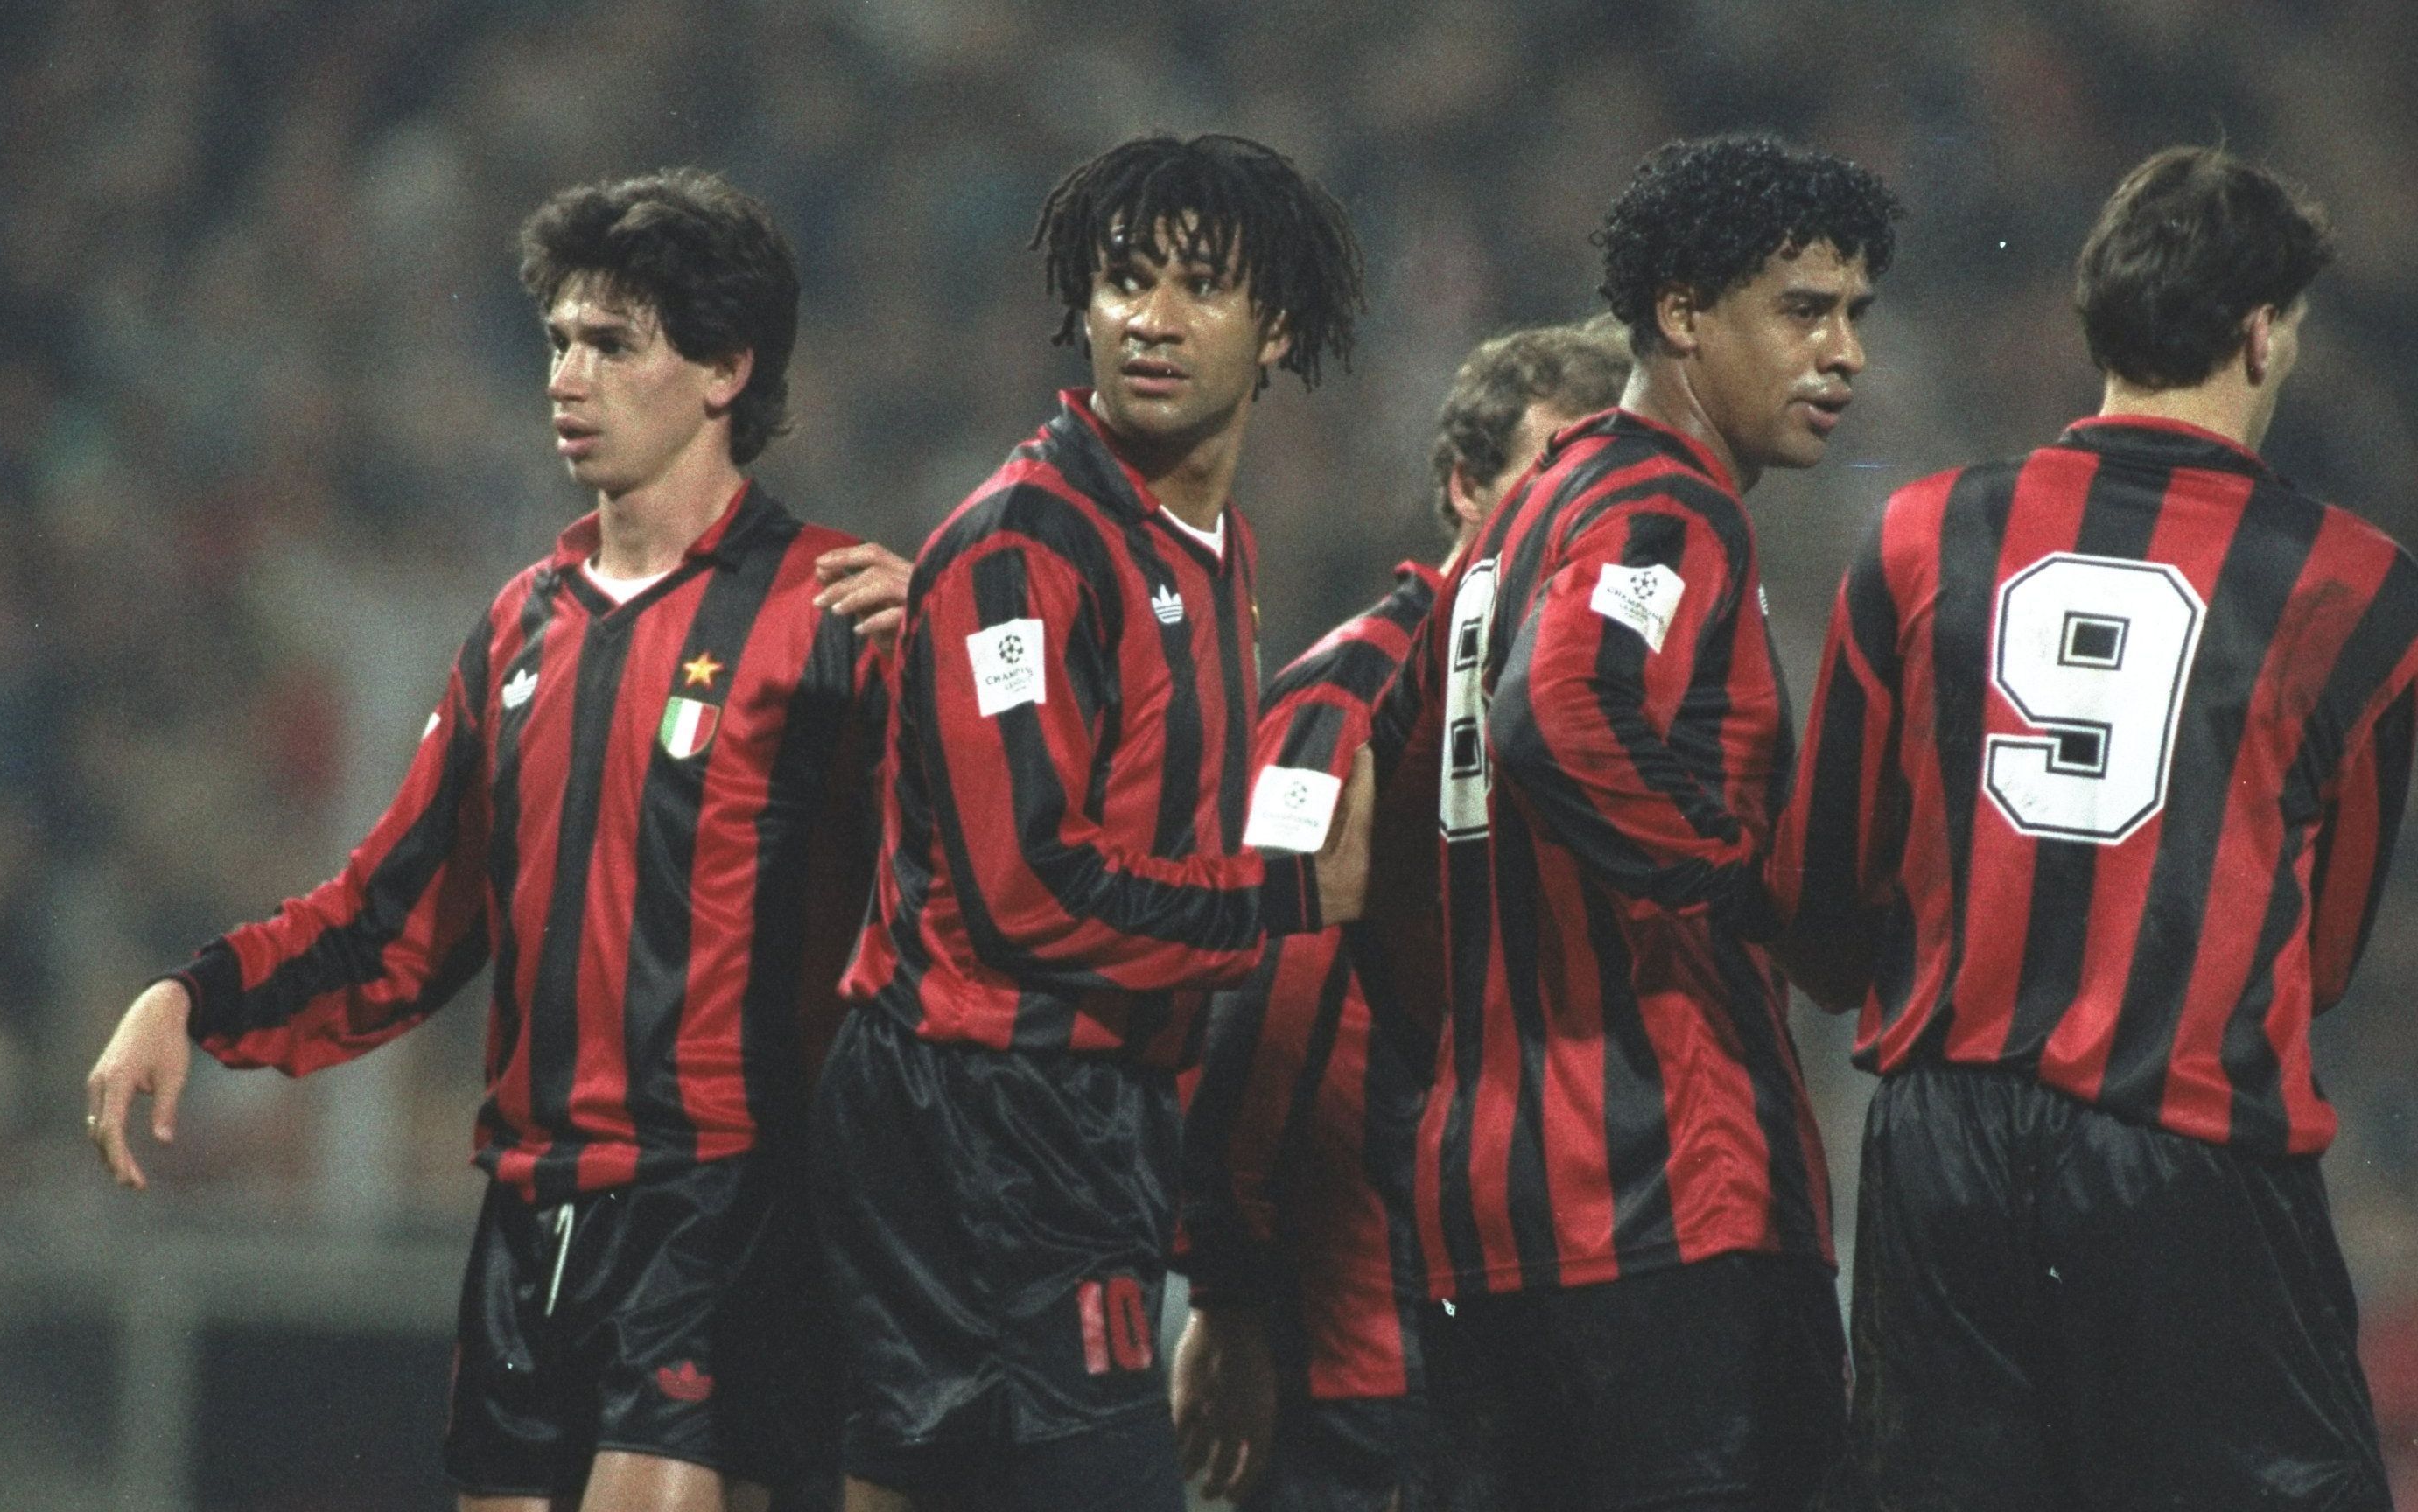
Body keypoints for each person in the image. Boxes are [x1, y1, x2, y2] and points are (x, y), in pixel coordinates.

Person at [81, 169, 887, 1512]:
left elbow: (984, 875)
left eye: (614, 344)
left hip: (723, 1200)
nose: (568, 374)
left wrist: (972, 653)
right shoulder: (522, 626)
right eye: (560, 340)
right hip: (526, 1204)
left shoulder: (835, 611)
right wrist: (194, 994)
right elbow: (395, 917)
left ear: (725, 370)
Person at [1774, 144, 2418, 1510]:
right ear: (2260, 335)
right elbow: (2322, 960)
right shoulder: (2361, 589)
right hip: (2181, 1146)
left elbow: (1822, 916)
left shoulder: (1919, 533)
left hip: (1937, 1147)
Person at [810, 132, 1373, 1512]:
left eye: (1198, 288)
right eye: (1125, 282)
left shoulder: (1205, 548)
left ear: (1278, 328)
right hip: (987, 1106)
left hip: (1071, 1108)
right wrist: (1281, 901)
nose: (1151, 321)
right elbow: (1031, 890)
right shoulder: (1029, 543)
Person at [1371, 133, 1900, 1511]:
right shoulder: (1667, 507)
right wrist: (1750, 891)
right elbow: (1565, 711)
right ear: (1679, 313)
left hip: (1485, 1203)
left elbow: (1405, 846)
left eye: (1855, 316)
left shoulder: (1505, 533)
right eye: (1802, 311)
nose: (1843, 354)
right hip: (1665, 1186)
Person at [1169, 319, 1634, 1511]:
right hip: (1366, 1358)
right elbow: (1264, 994)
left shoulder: (1609, 707)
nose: (1571, 515)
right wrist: (1225, 1291)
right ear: (1465, 486)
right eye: (1546, 474)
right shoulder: (1356, 688)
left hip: (1546, 1323)